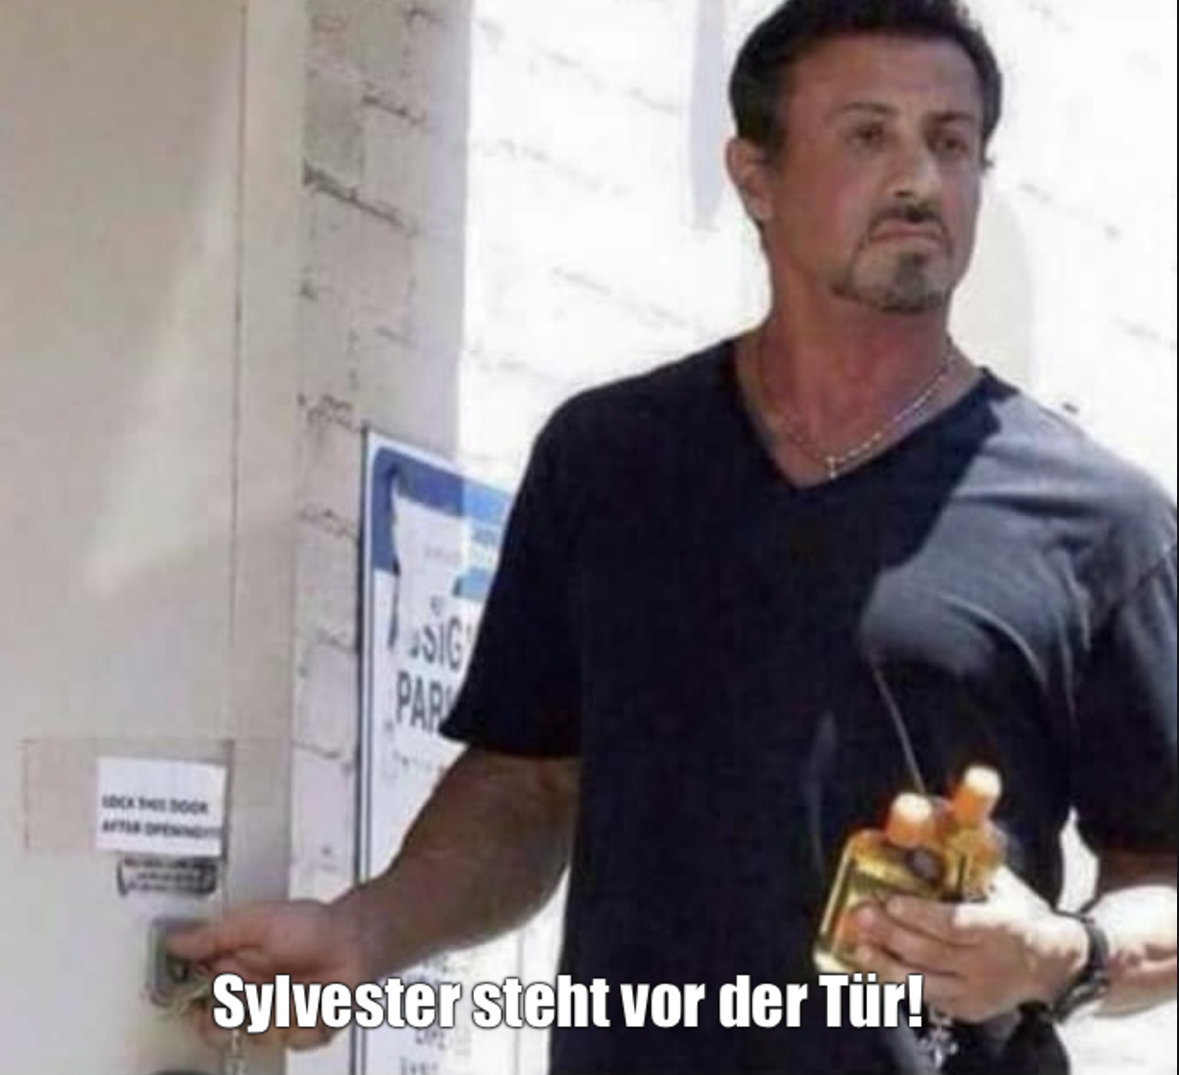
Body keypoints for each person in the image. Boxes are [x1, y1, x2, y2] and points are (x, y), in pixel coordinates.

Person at [170, 1, 1178, 1071]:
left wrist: (1062, 954)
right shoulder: (610, 460)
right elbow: (526, 784)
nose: (919, 179)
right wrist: (364, 932)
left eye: (951, 141)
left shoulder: (1097, 520)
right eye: (868, 134)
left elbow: (1162, 871)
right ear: (755, 177)